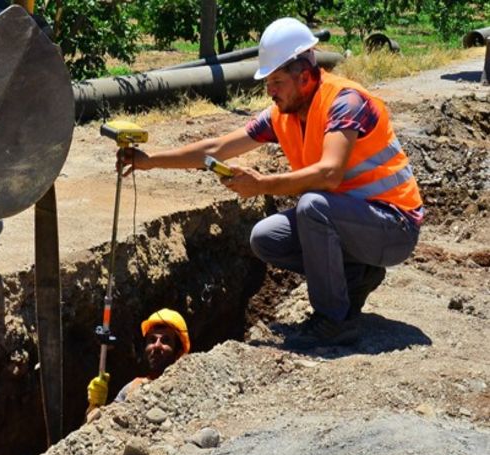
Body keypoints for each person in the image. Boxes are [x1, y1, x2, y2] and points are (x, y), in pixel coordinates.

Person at [120, 17, 423, 348]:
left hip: (394, 227)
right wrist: (150, 162)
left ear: (304, 77)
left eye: (276, 82)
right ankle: (357, 274)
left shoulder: (345, 102)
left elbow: (329, 174)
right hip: (353, 223)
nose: (270, 91)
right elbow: (216, 149)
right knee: (266, 238)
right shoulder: (283, 115)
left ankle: (334, 321)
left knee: (312, 206)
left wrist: (262, 183)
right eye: (268, 83)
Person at [86, 309, 191, 415]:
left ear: (179, 351)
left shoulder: (188, 391)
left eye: (165, 340)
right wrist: (94, 406)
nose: (157, 345)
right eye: (152, 340)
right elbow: (95, 427)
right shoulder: (133, 387)